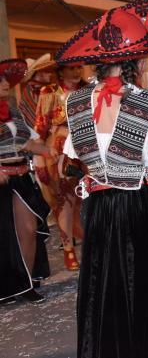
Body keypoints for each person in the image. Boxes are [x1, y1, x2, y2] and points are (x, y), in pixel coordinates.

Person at [57, 0, 148, 358]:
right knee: (146, 295)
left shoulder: (74, 104)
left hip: (100, 210)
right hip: (139, 208)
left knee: (104, 292)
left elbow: (80, 163)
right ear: (139, 59)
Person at [0, 59, 54, 305]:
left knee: (29, 230)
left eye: (6, 81)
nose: (5, 85)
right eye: (0, 81)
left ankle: (27, 283)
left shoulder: (13, 110)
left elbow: (28, 142)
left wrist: (53, 150)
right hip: (1, 179)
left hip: (21, 177)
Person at [34, 63, 87, 270]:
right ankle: (68, 249)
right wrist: (42, 151)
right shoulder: (50, 91)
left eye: (79, 68)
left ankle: (92, 243)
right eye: (72, 68)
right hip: (61, 149)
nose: (76, 72)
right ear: (61, 71)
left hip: (86, 146)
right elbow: (41, 125)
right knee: (65, 199)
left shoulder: (88, 90)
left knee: (88, 197)